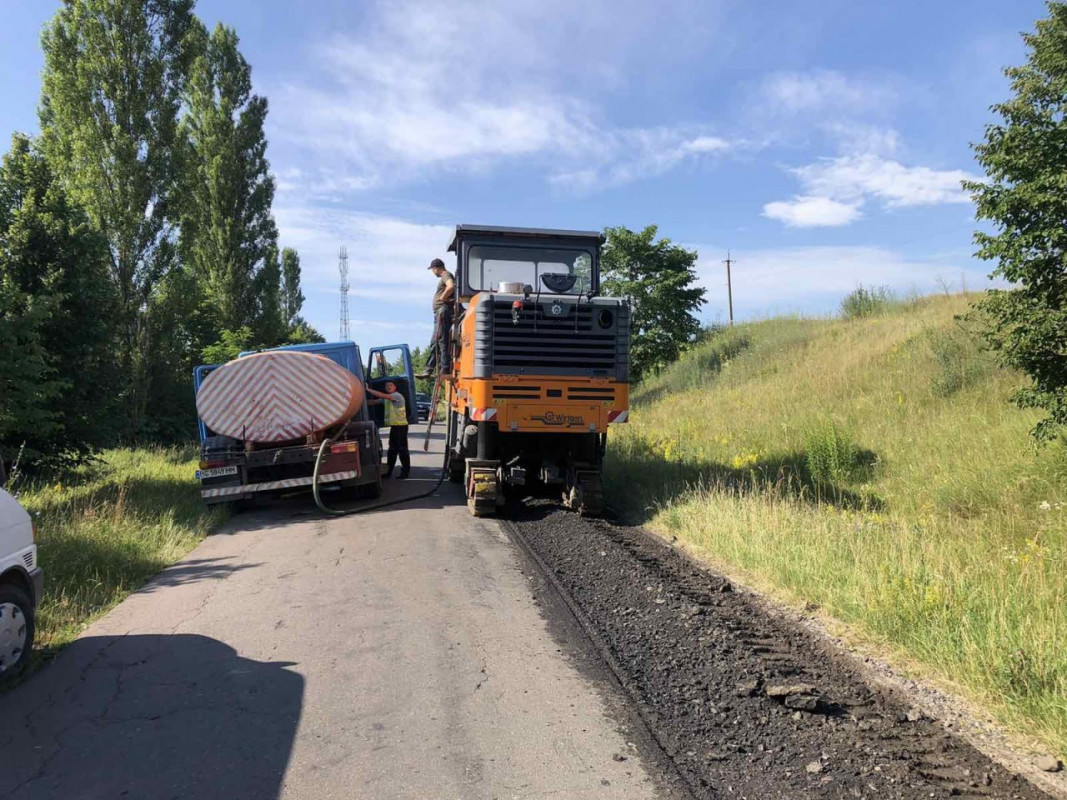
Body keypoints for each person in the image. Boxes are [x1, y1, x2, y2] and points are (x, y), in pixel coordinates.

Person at [418, 257, 455, 378]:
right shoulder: (447, 275)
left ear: (436, 268)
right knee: (438, 341)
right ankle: (432, 369)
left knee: (440, 341)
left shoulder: (445, 274)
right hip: (441, 312)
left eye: (432, 269)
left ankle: (442, 369)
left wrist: (443, 298)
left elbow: (451, 286)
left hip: (442, 312)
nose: (433, 272)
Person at [365, 381, 410, 479]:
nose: (389, 387)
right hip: (395, 427)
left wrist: (368, 389)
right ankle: (388, 472)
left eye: (391, 385)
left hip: (401, 426)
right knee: (392, 450)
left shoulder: (397, 396)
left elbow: (382, 395)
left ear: (395, 387)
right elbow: (373, 402)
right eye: (387, 386)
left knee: (402, 450)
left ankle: (405, 472)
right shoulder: (387, 399)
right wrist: (361, 402)